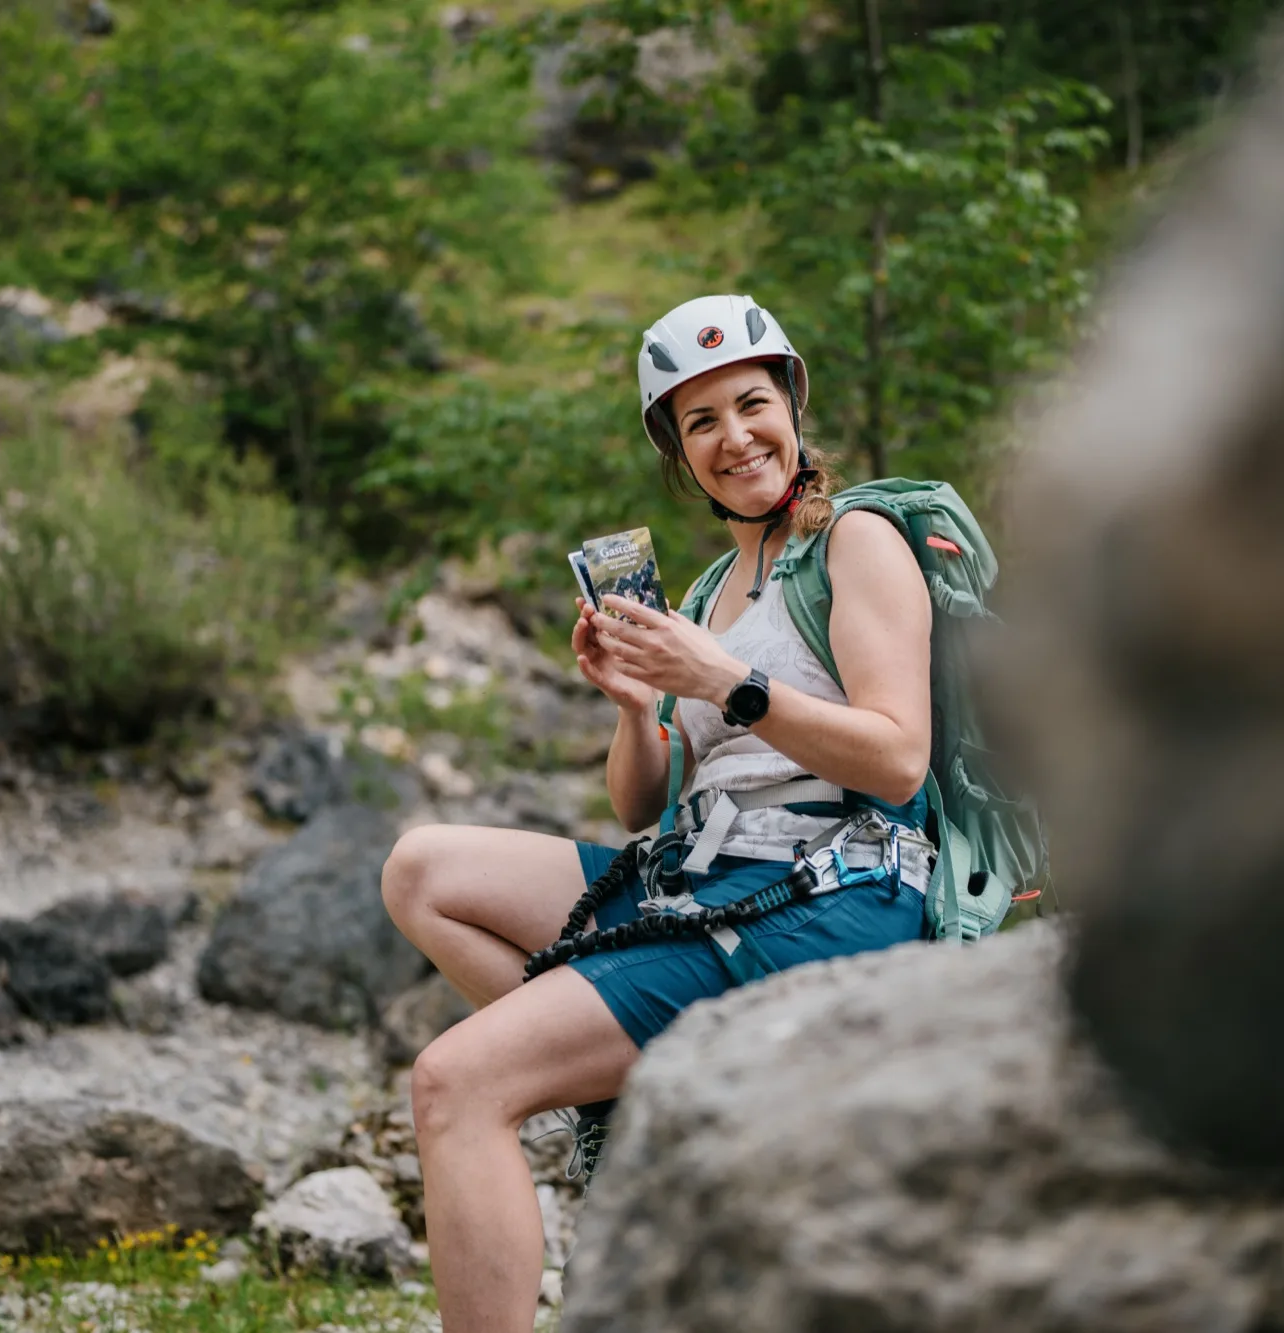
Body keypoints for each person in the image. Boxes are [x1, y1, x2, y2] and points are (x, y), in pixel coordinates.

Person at [379, 294, 936, 1333]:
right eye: (701, 422)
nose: (736, 437)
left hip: (827, 891)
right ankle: (623, 1086)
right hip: (703, 872)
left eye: (751, 403)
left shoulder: (856, 539)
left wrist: (725, 682)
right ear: (678, 457)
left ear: (791, 406)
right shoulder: (715, 586)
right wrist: (640, 708)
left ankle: (599, 1073)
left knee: (457, 1081)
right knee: (422, 870)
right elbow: (643, 801)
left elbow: (899, 759)